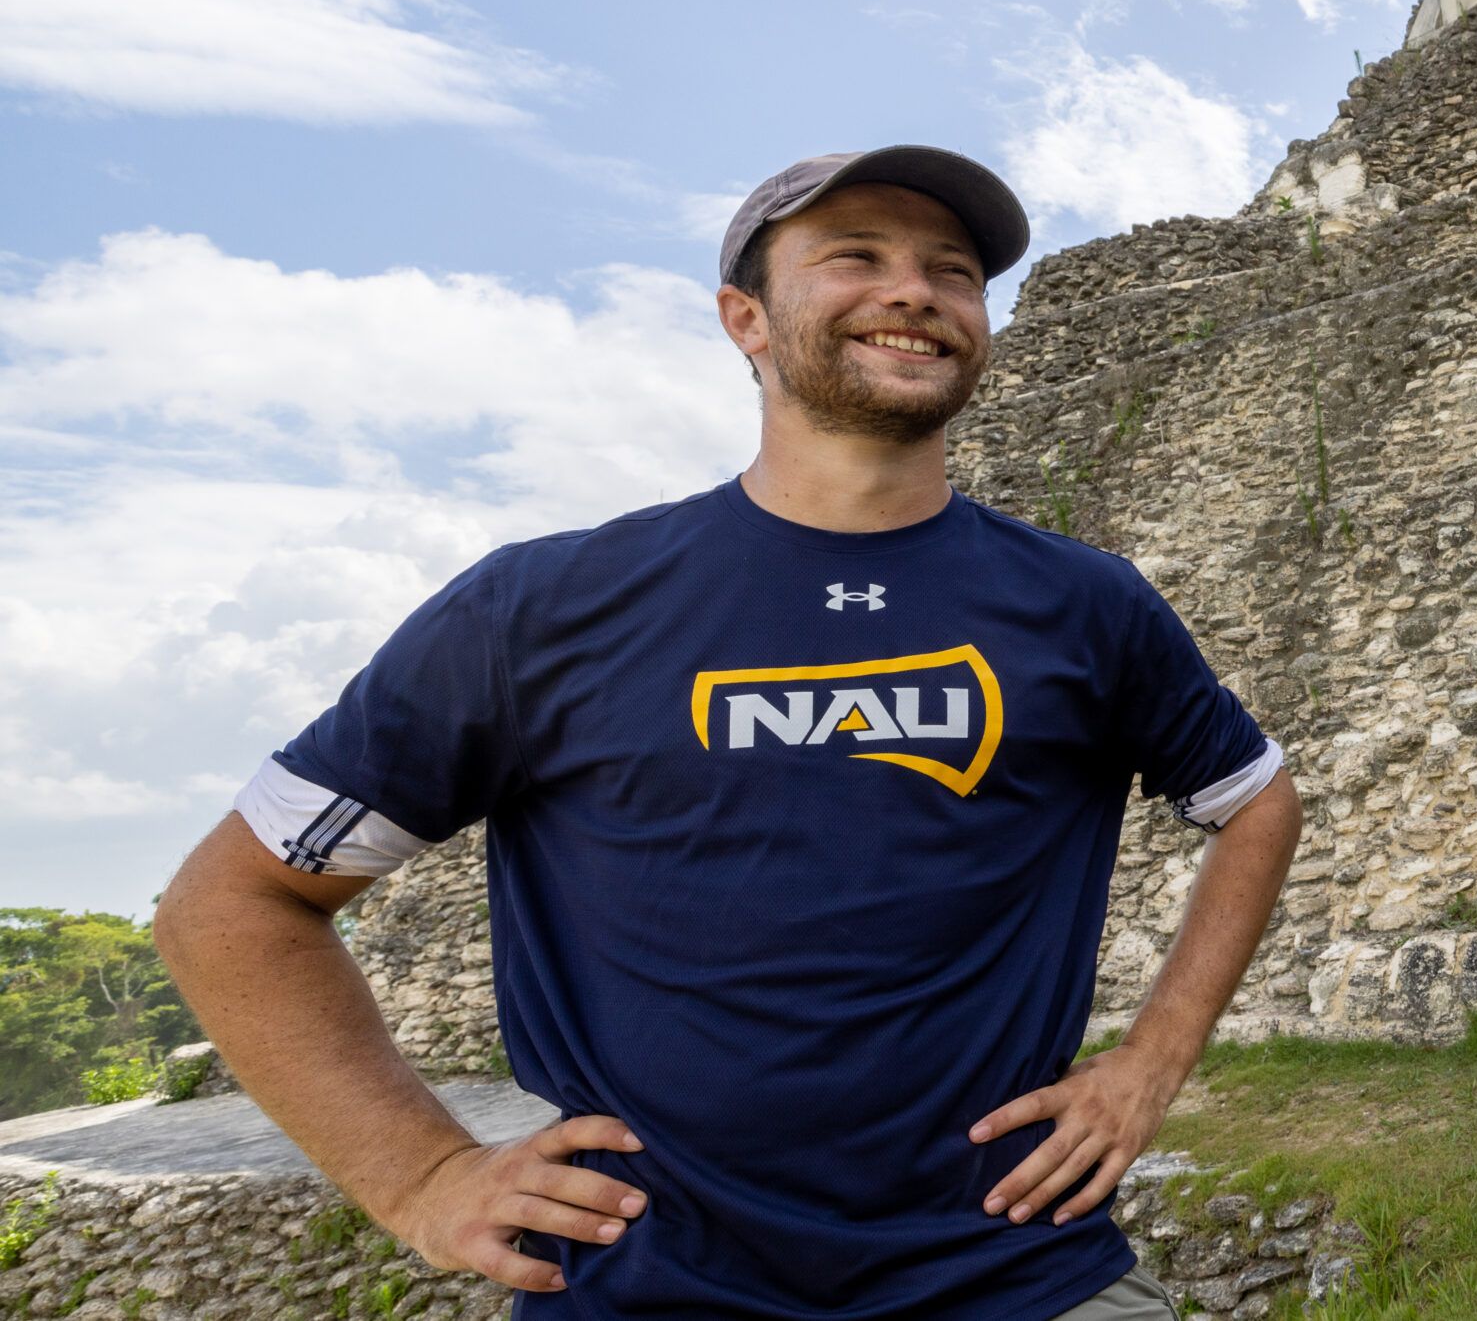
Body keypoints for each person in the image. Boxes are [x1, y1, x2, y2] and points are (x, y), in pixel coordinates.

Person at [154, 148, 1304, 1321]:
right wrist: (422, 1174)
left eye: (951, 272)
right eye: (854, 256)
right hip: (647, 1290)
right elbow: (231, 901)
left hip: (1020, 1275)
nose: (913, 291)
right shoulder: (543, 609)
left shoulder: (1084, 605)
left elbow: (1254, 798)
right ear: (744, 319)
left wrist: (1152, 1060)